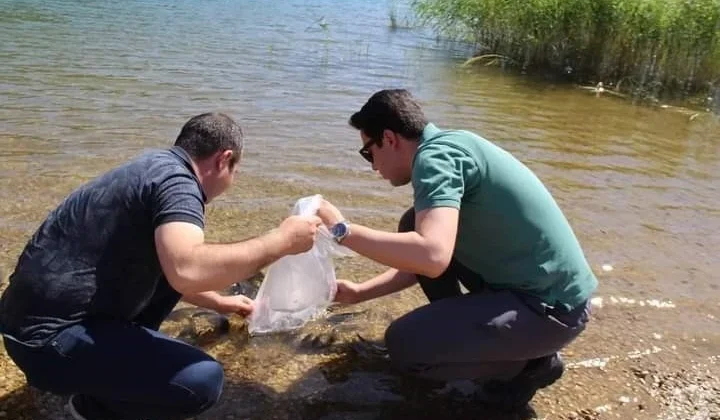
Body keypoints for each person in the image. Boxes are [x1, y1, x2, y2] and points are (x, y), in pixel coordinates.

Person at [0, 113, 322, 420]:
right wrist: (281, 240)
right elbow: (187, 269)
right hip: (48, 346)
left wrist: (222, 302)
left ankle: (99, 379)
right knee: (203, 381)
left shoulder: (151, 168)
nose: (232, 181)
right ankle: (94, 408)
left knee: (163, 266)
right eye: (235, 170)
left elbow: (174, 272)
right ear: (224, 159)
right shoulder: (179, 184)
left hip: (21, 333)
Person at [317, 89, 598, 411]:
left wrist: (342, 230)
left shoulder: (434, 159)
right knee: (415, 223)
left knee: (405, 344)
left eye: (368, 153)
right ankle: (483, 342)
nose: (373, 167)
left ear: (390, 139)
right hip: (551, 299)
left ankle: (528, 366)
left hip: (551, 310)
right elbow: (427, 258)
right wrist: (358, 293)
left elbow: (432, 257)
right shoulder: (453, 144)